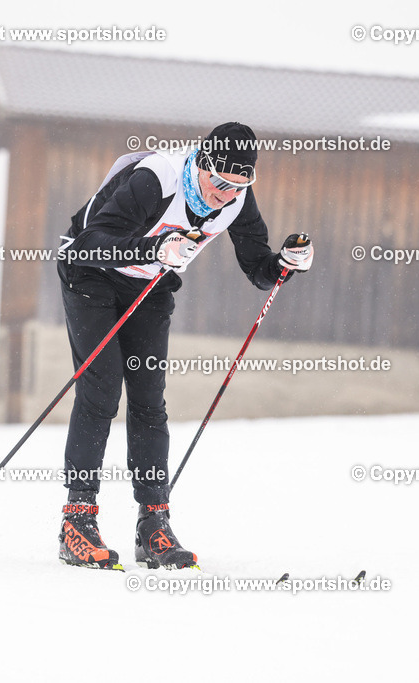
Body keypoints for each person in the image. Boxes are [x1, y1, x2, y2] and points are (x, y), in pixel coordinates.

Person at [56, 122, 314, 570]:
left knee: (149, 400)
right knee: (102, 389)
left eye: (238, 186)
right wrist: (156, 248)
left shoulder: (236, 197)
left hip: (150, 283)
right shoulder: (157, 179)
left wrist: (285, 265)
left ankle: (153, 523)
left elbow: (258, 268)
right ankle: (77, 521)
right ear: (202, 163)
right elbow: (89, 244)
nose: (224, 195)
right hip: (91, 275)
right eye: (219, 182)